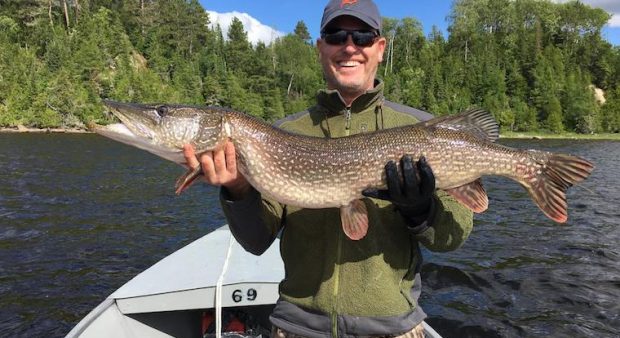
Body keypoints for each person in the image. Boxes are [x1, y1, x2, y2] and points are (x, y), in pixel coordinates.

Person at [183, 0, 473, 337]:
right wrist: (238, 190)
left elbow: (454, 235)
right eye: (336, 35)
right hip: (297, 327)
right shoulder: (282, 134)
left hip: (392, 328)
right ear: (320, 48)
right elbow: (256, 240)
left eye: (362, 36)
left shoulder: (418, 126)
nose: (349, 46)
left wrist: (422, 211)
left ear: (380, 48)